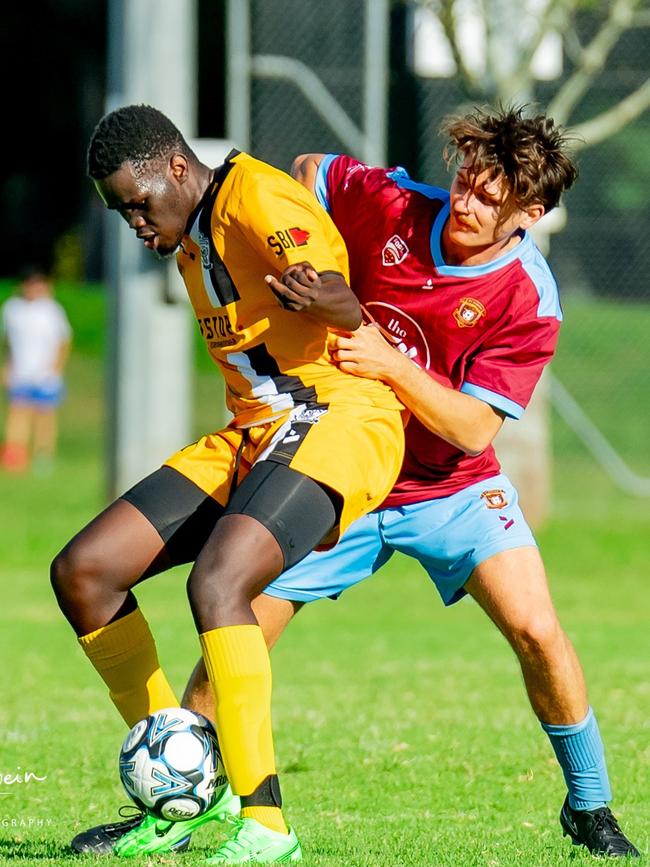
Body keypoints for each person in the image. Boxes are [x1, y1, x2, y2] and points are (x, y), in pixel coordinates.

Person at [70, 105, 640, 860]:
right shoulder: (393, 201)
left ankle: (591, 806)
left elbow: (474, 428)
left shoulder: (528, 296)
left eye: (487, 198)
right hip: (324, 455)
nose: (463, 202)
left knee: (537, 629)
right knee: (232, 629)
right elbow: (310, 170)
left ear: (530, 214)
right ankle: (187, 798)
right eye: (464, 179)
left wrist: (387, 359)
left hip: (448, 485)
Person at [51, 103, 405, 864]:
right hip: (255, 433)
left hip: (341, 418)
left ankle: (267, 824)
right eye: (121, 215)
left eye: (138, 205)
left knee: (218, 584)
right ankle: (184, 788)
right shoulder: (189, 234)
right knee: (85, 572)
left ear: (177, 166)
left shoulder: (256, 197)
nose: (136, 225)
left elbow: (344, 300)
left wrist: (326, 296)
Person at [1, 267, 72, 473]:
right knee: (17, 414)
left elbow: (63, 341)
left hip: (45, 374)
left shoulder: (51, 310)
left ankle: (43, 457)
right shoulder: (12, 309)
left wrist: (55, 369)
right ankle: (16, 455)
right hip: (21, 372)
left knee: (45, 417)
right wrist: (7, 366)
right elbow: (9, 342)